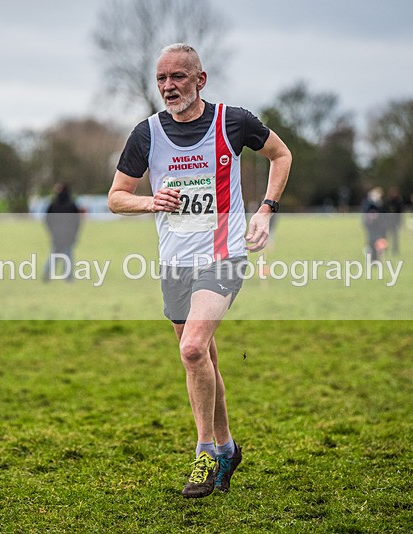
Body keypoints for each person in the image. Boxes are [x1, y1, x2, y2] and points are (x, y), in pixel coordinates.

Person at [108, 43, 292, 498]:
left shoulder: (234, 121)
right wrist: (151, 201)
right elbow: (116, 197)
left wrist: (266, 209)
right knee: (204, 357)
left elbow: (281, 155)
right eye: (162, 79)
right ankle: (228, 448)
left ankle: (204, 453)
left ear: (200, 79)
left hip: (223, 256)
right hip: (175, 264)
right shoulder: (147, 134)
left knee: (191, 350)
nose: (169, 86)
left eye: (178, 77)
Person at [42, 183, 81, 282]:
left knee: (54, 255)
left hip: (57, 235)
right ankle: (67, 276)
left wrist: (52, 231)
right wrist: (74, 233)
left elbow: (47, 220)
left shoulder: (53, 205)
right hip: (68, 235)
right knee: (67, 255)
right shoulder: (72, 205)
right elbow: (77, 221)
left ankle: (47, 273)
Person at [361, 187, 386, 262]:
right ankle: (372, 259)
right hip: (371, 226)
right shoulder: (368, 203)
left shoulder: (381, 204)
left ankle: (376, 259)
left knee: (378, 242)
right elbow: (365, 212)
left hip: (379, 226)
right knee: (371, 242)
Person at [385, 186, 404, 256]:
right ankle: (385, 249)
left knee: (395, 237)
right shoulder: (388, 201)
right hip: (388, 221)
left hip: (395, 222)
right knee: (386, 236)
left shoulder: (399, 201)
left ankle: (395, 250)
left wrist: (400, 222)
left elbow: (400, 212)